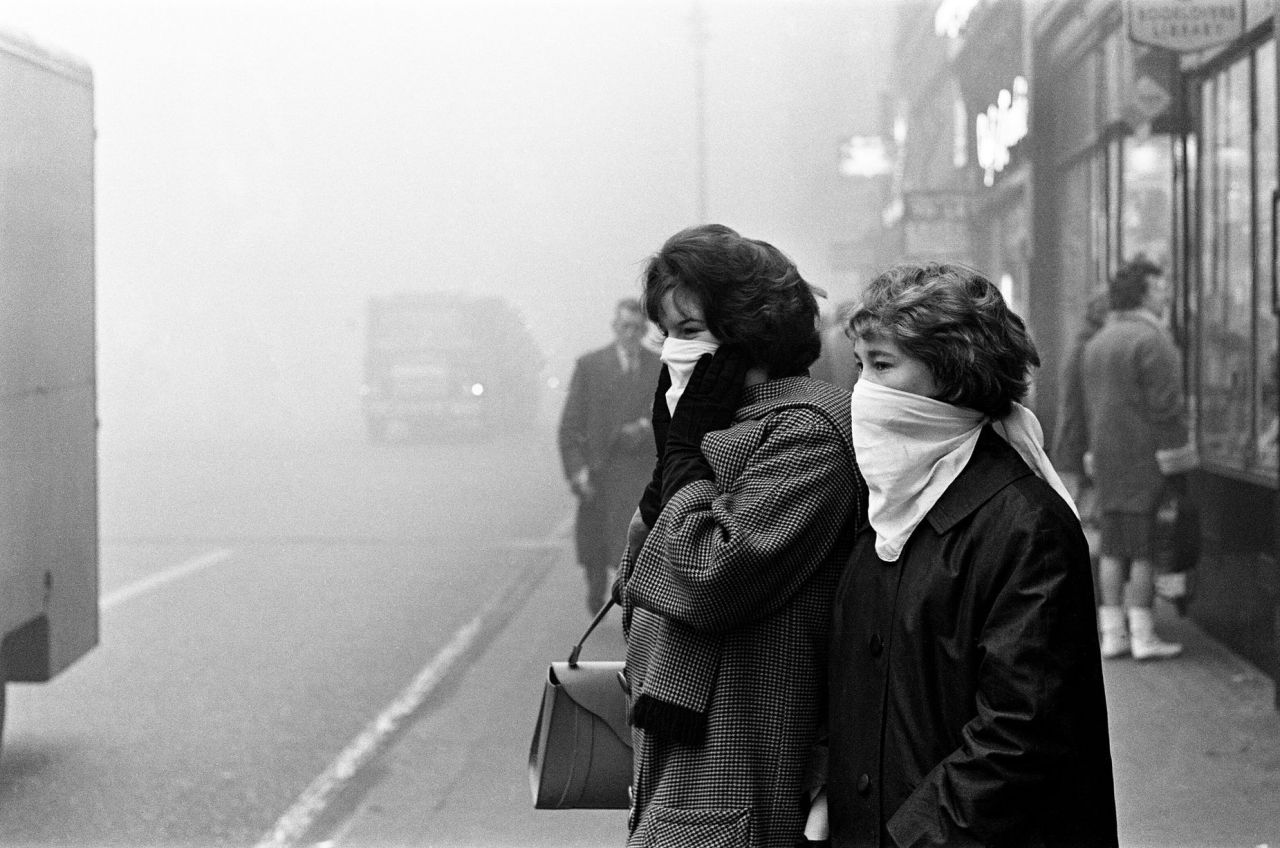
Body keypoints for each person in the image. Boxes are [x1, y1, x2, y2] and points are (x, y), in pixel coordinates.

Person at [828, 262, 1117, 848]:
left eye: (882, 365)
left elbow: (1020, 733)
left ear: (954, 376)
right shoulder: (881, 502)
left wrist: (907, 838)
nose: (862, 391)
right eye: (859, 366)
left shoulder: (1024, 525)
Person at [614, 223, 861, 848]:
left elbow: (703, 579)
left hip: (738, 765)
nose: (672, 350)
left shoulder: (806, 432)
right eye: (666, 333)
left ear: (750, 332)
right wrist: (674, 460)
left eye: (690, 332)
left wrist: (685, 456)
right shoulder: (717, 422)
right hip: (681, 762)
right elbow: (636, 590)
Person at [1082, 258, 1197, 660]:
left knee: (1112, 547)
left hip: (1108, 463)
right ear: (1145, 294)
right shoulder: (1153, 341)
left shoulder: (1099, 342)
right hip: (1146, 463)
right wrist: (1180, 463)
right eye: (1161, 288)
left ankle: (1112, 634)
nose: (1166, 295)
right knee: (1145, 549)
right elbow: (1166, 410)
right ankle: (1144, 635)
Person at [557, 297, 661, 613]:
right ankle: (596, 588)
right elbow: (570, 427)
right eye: (624, 326)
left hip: (640, 470)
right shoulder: (590, 366)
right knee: (595, 547)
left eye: (636, 328)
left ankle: (633, 603)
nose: (630, 334)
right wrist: (578, 472)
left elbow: (671, 415)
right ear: (615, 328)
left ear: (644, 330)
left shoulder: (659, 367)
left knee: (634, 542)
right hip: (599, 470)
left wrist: (646, 426)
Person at [1051, 287, 1110, 591]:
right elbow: (1085, 406)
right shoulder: (1090, 345)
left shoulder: (1082, 342)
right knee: (1085, 525)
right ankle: (1083, 592)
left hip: (1071, 447)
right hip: (1078, 449)